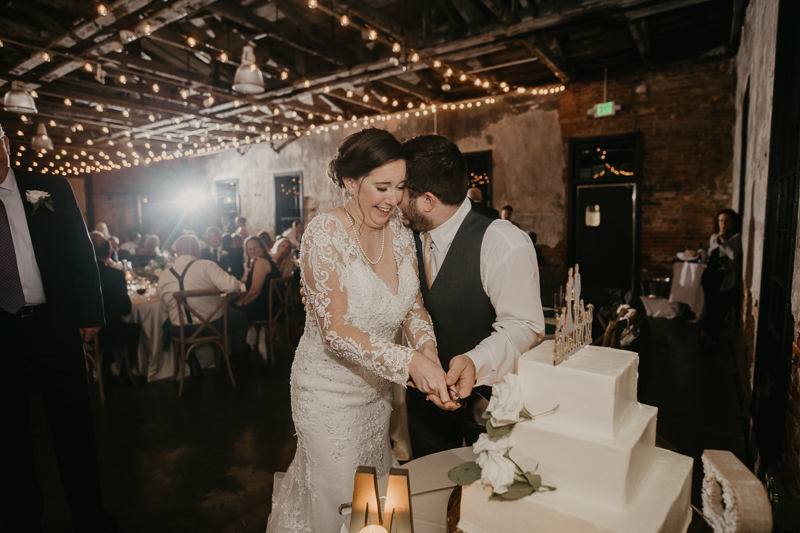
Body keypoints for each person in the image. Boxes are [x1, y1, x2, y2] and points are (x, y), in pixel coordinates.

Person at [267, 129, 454, 533]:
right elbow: (335, 330)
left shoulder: (402, 235)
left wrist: (429, 354)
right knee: (340, 505)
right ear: (351, 183)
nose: (393, 199)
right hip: (327, 396)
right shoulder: (324, 234)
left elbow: (413, 306)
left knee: (373, 503)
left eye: (400, 187)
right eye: (382, 186)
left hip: (377, 394)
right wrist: (409, 361)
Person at [0, 122, 117, 532]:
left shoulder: (49, 188)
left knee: (74, 428)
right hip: (3, 334)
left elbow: (80, 253)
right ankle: (21, 517)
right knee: (9, 437)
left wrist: (90, 316)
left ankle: (89, 514)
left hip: (54, 325)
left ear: (6, 144)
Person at [400, 134, 545, 458]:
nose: (394, 200)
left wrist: (474, 362)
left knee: (489, 496)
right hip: (423, 402)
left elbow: (524, 325)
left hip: (489, 400)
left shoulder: (502, 241)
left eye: (400, 190)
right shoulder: (404, 235)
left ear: (426, 200)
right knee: (431, 490)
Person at [157, 234, 250, 378]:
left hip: (181, 330)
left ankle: (193, 363)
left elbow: (164, 309)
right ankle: (235, 361)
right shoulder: (206, 266)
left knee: (171, 324)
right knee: (241, 318)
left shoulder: (164, 276)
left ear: (178, 251)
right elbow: (232, 286)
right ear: (196, 249)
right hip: (213, 326)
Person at [90, 233, 141, 379]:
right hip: (109, 333)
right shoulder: (115, 275)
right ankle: (126, 373)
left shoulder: (81, 275)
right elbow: (125, 309)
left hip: (86, 333)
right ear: (110, 253)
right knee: (134, 330)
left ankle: (105, 371)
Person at [702, 209, 742, 348]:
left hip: (727, 279)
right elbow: (709, 253)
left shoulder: (736, 238)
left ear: (733, 222)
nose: (723, 224)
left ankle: (703, 331)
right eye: (720, 221)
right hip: (711, 276)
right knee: (711, 308)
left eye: (726, 221)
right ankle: (714, 340)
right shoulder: (714, 236)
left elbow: (734, 256)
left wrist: (724, 240)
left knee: (720, 310)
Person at [234, 236, 280, 321]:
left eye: (255, 247)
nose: (253, 251)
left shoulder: (261, 262)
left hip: (267, 308)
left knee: (232, 312)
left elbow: (255, 290)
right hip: (273, 304)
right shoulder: (260, 261)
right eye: (250, 249)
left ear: (262, 247)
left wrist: (243, 302)